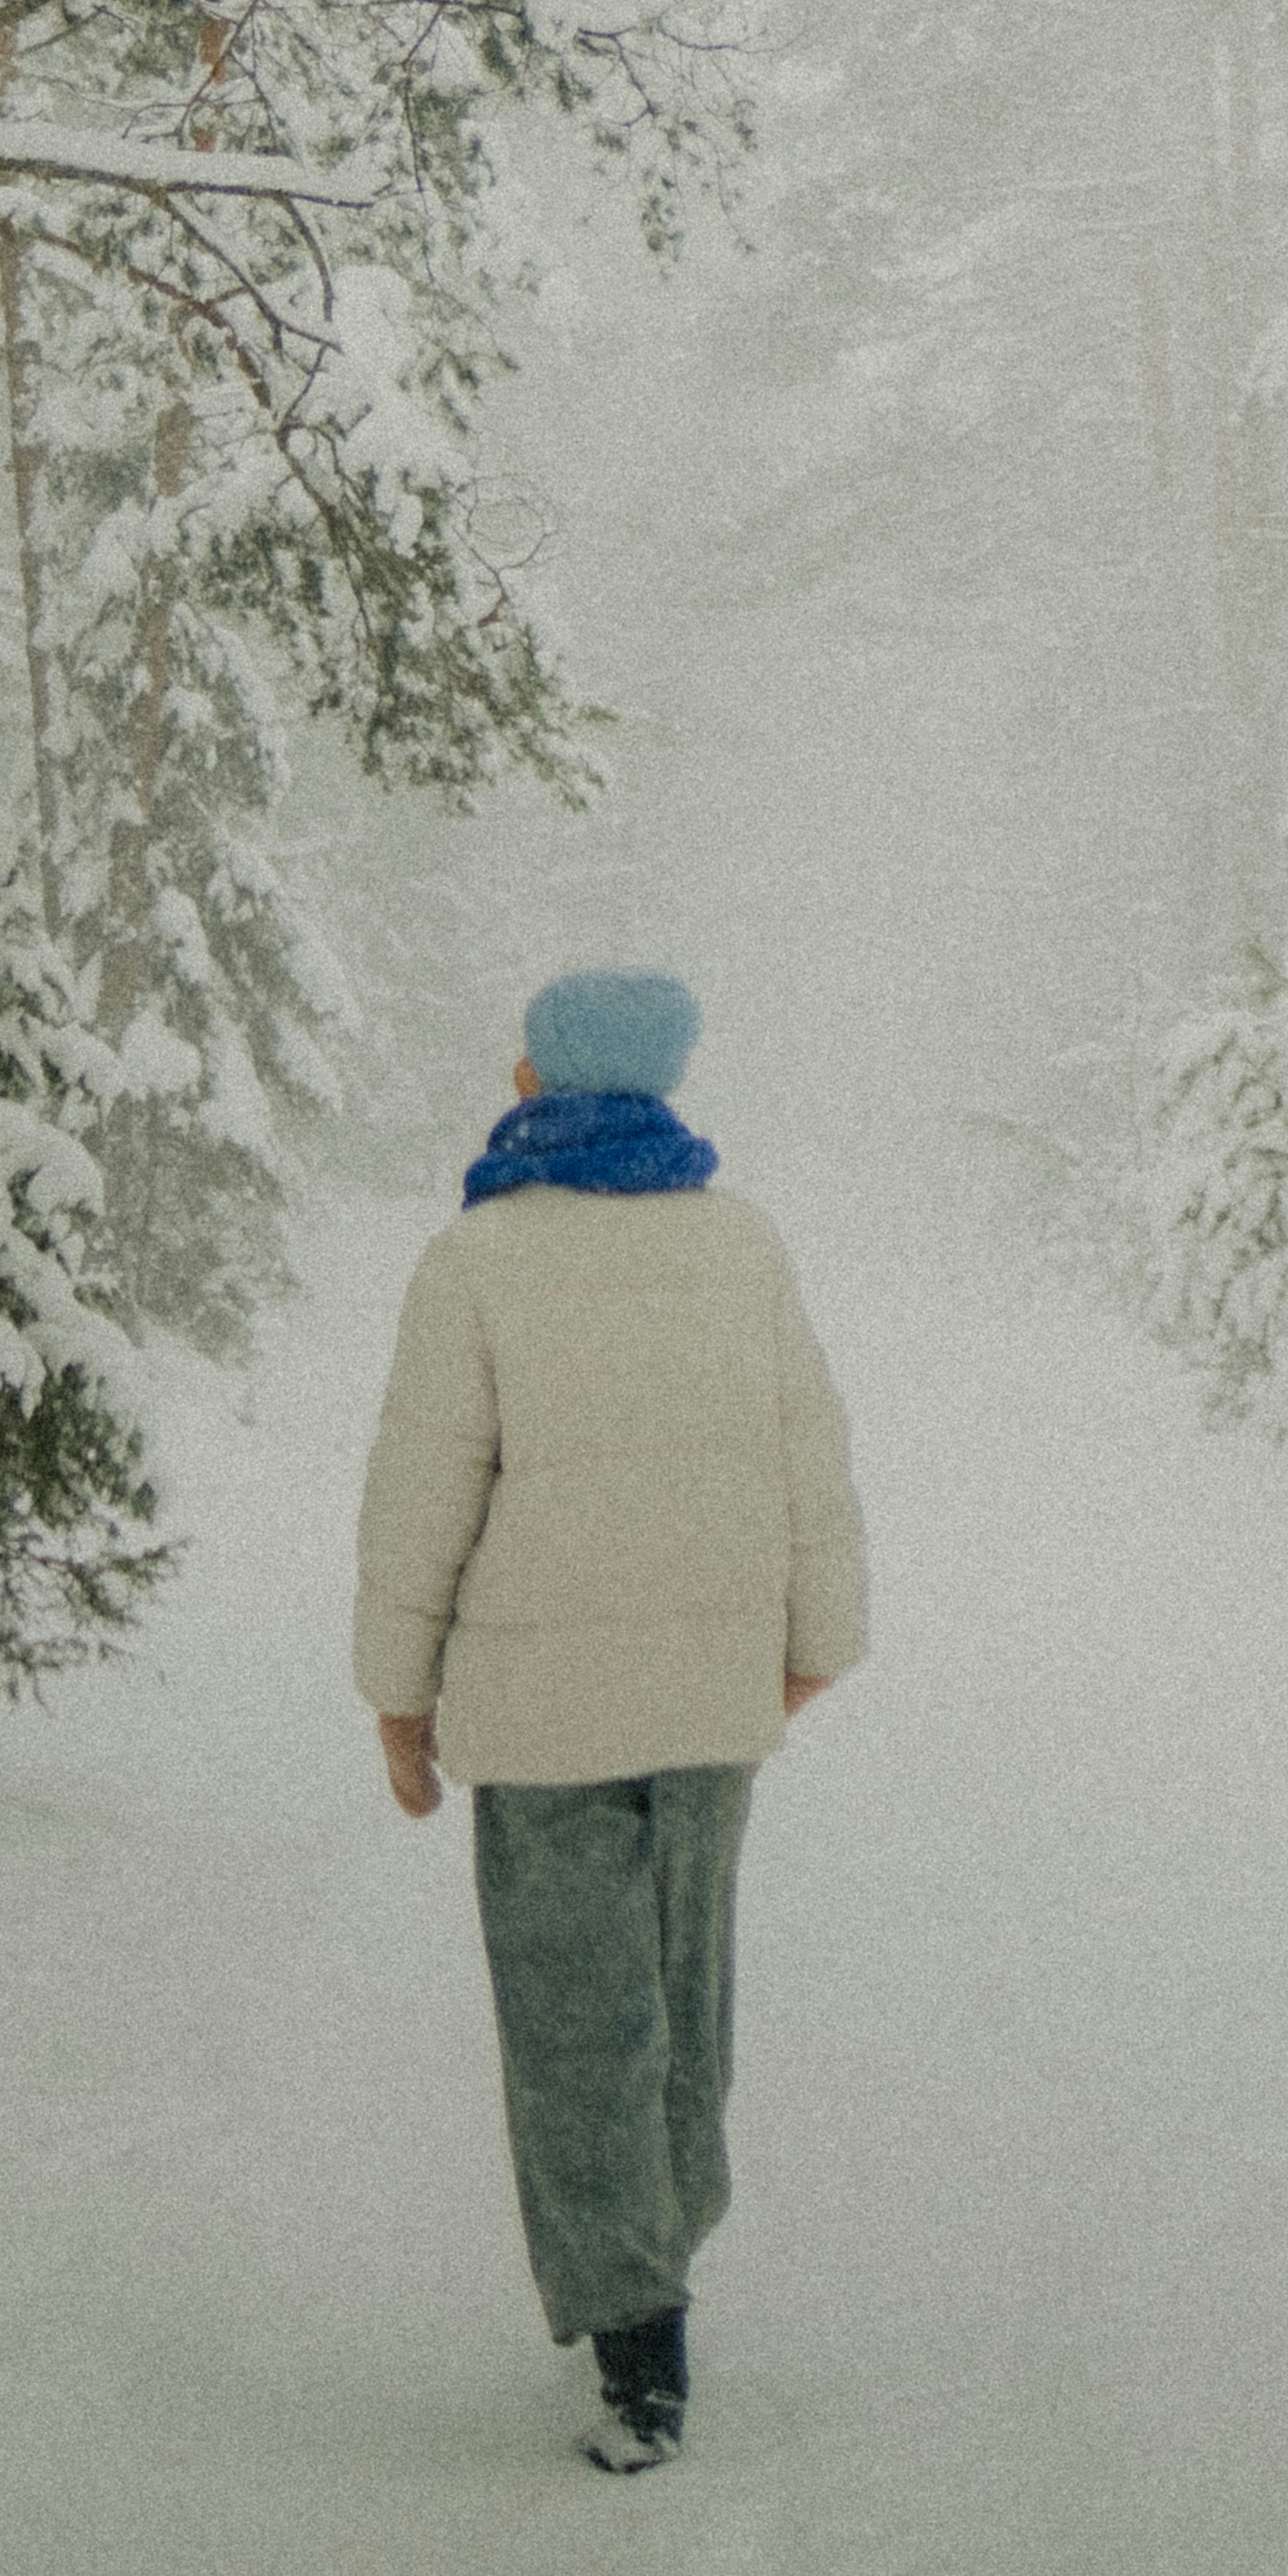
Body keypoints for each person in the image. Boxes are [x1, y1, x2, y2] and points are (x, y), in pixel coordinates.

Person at [352, 967, 867, 2472]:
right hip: (710, 1708)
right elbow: (808, 1456)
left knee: (580, 2022)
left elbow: (418, 1496)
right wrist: (816, 1647)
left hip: (545, 1713)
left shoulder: (477, 1257)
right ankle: (667, 2241)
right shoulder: (740, 1244)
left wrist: (399, 1695)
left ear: (539, 1084)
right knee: (683, 2003)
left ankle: (641, 2340)